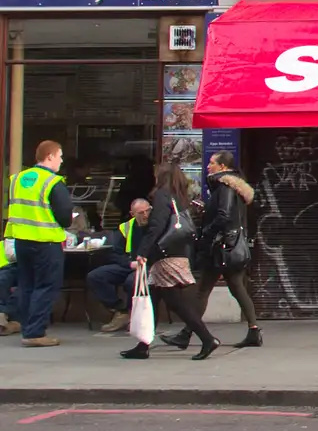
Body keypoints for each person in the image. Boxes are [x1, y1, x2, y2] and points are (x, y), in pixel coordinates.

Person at [162, 152, 261, 350]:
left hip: (220, 247)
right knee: (237, 288)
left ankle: (188, 333)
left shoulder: (224, 186)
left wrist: (206, 231)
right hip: (231, 246)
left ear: (223, 167)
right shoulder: (233, 187)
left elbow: (224, 215)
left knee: (202, 291)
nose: (208, 166)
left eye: (212, 163)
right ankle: (254, 331)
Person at [122, 163, 219, 361]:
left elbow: (156, 226)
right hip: (177, 252)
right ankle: (143, 345)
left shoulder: (162, 196)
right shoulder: (179, 196)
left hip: (166, 255)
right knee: (154, 298)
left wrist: (142, 252)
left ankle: (207, 338)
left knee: (175, 302)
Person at [4, 140, 75, 348]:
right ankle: (35, 332)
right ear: (50, 156)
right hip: (46, 242)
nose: (61, 161)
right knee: (46, 286)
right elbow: (65, 218)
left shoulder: (17, 179)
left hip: (21, 240)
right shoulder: (52, 182)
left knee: (27, 285)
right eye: (60, 156)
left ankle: (27, 327)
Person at [89, 198, 150, 334]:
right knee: (96, 276)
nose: (145, 215)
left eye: (148, 211)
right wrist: (129, 263)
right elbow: (114, 253)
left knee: (131, 282)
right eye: (141, 213)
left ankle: (133, 314)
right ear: (132, 213)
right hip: (129, 263)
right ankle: (120, 310)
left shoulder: (155, 225)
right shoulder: (126, 227)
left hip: (148, 265)